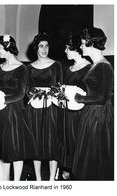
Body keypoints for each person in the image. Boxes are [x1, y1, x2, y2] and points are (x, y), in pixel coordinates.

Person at [0, 35, 37, 181]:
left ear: (8, 49)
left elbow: (20, 93)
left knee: (15, 149)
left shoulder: (23, 68)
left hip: (14, 112)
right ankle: (5, 182)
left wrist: (1, 100)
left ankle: (16, 183)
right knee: (3, 151)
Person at [73, 27, 114, 180]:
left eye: (83, 43)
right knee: (89, 158)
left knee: (95, 160)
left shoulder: (104, 66)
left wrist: (79, 98)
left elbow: (103, 98)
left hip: (99, 117)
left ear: (91, 44)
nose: (81, 47)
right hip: (92, 114)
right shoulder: (96, 64)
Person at [25, 32, 63, 181]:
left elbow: (59, 87)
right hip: (35, 109)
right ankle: (39, 180)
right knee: (37, 143)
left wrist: (51, 94)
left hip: (52, 108)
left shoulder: (56, 65)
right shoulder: (29, 68)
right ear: (36, 48)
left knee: (52, 141)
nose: (44, 49)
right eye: (41, 46)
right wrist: (34, 95)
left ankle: (52, 180)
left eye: (47, 46)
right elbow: (27, 88)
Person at [58, 33, 91, 180]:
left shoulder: (89, 68)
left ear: (76, 49)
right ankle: (66, 171)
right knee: (65, 142)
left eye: (67, 48)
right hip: (66, 112)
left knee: (77, 141)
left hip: (80, 114)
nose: (65, 51)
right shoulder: (68, 68)